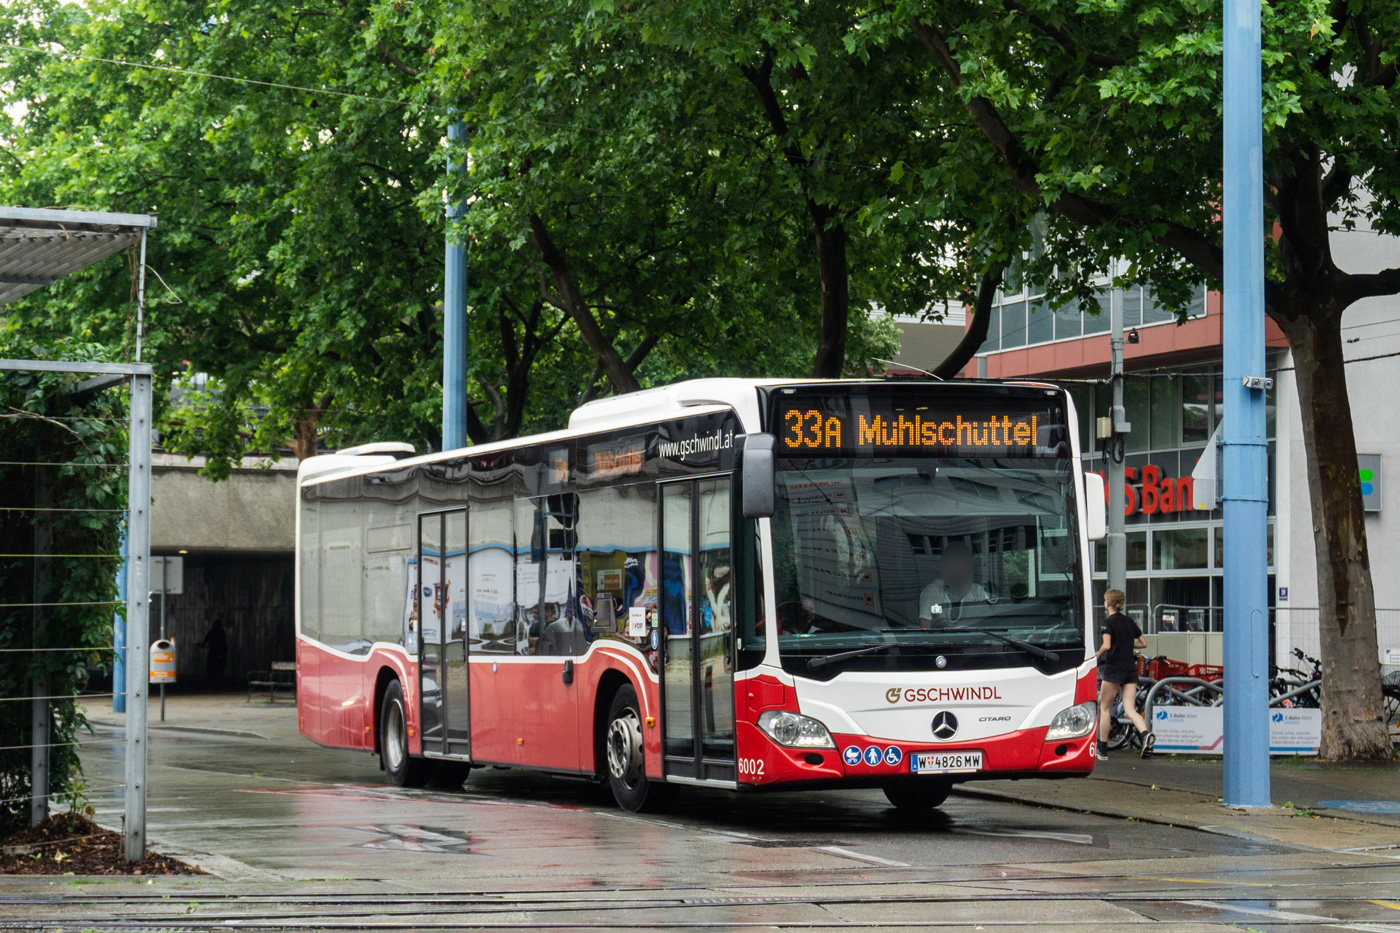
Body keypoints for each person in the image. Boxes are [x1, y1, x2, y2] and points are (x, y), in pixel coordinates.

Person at [1096, 589, 1152, 760]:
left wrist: (1095, 656)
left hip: (1114, 670)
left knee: (1105, 709)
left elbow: (1106, 646)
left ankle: (1103, 750)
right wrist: (1127, 645)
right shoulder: (1129, 621)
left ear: (1107, 603)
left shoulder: (1107, 622)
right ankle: (1144, 735)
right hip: (1130, 670)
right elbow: (1144, 643)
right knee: (1129, 709)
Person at [918, 540, 991, 627]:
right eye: (954, 563)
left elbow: (990, 621)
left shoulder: (978, 592)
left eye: (962, 563)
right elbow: (925, 626)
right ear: (946, 566)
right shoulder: (933, 592)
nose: (958, 568)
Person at [197, 617, 229, 686]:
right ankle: (222, 680)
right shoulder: (222, 632)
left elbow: (206, 640)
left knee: (210, 663)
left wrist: (202, 645)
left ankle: (209, 676)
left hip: (214, 651)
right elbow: (224, 641)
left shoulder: (212, 632)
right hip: (222, 651)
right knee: (221, 667)